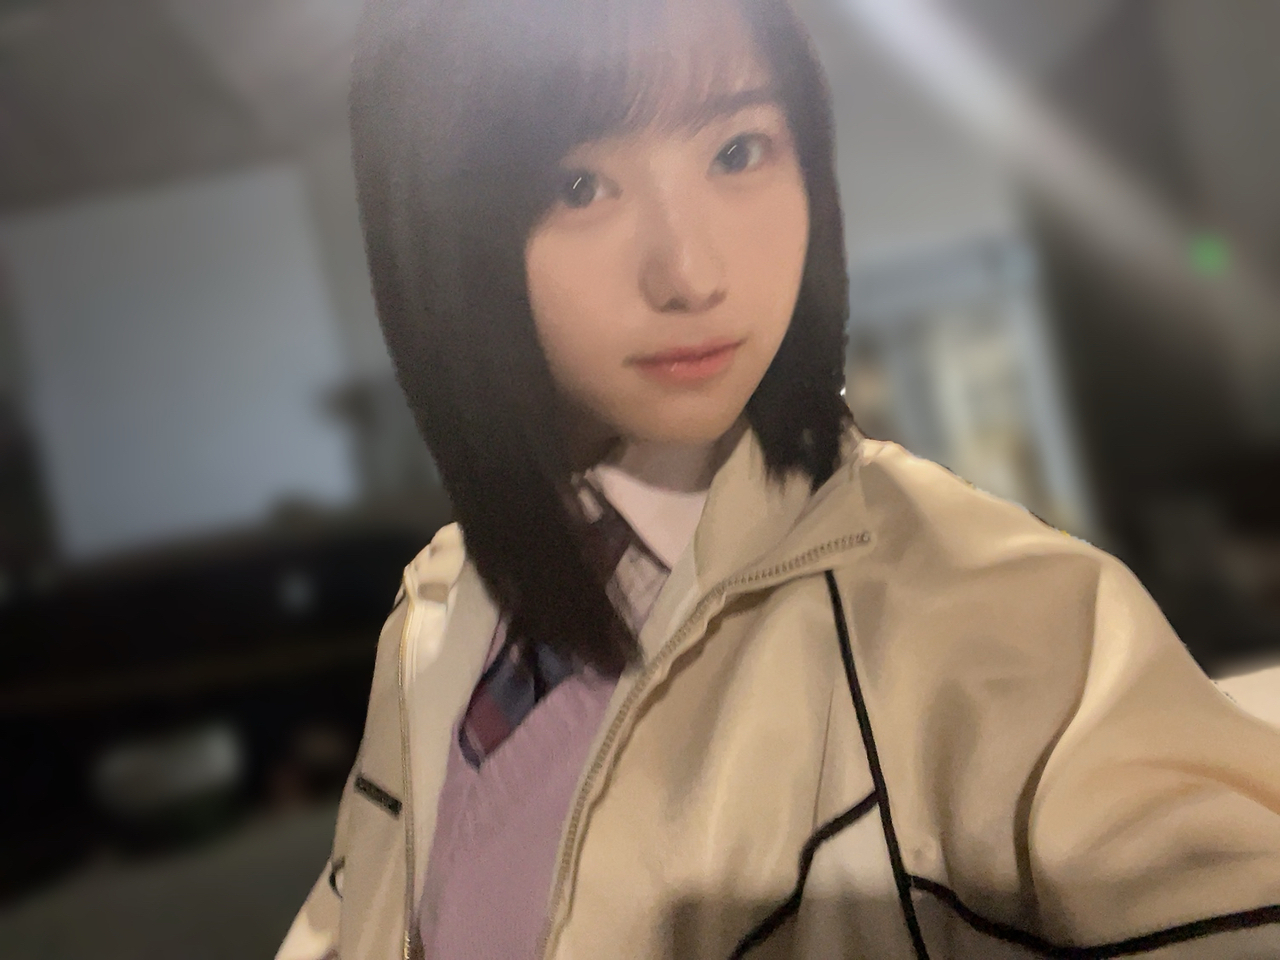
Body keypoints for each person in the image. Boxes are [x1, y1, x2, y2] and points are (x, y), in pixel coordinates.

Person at [277, 0, 1280, 956]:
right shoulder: (436, 610)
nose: (691, 274)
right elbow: (351, 915)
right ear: (440, 239)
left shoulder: (978, 609)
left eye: (737, 152)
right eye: (577, 185)